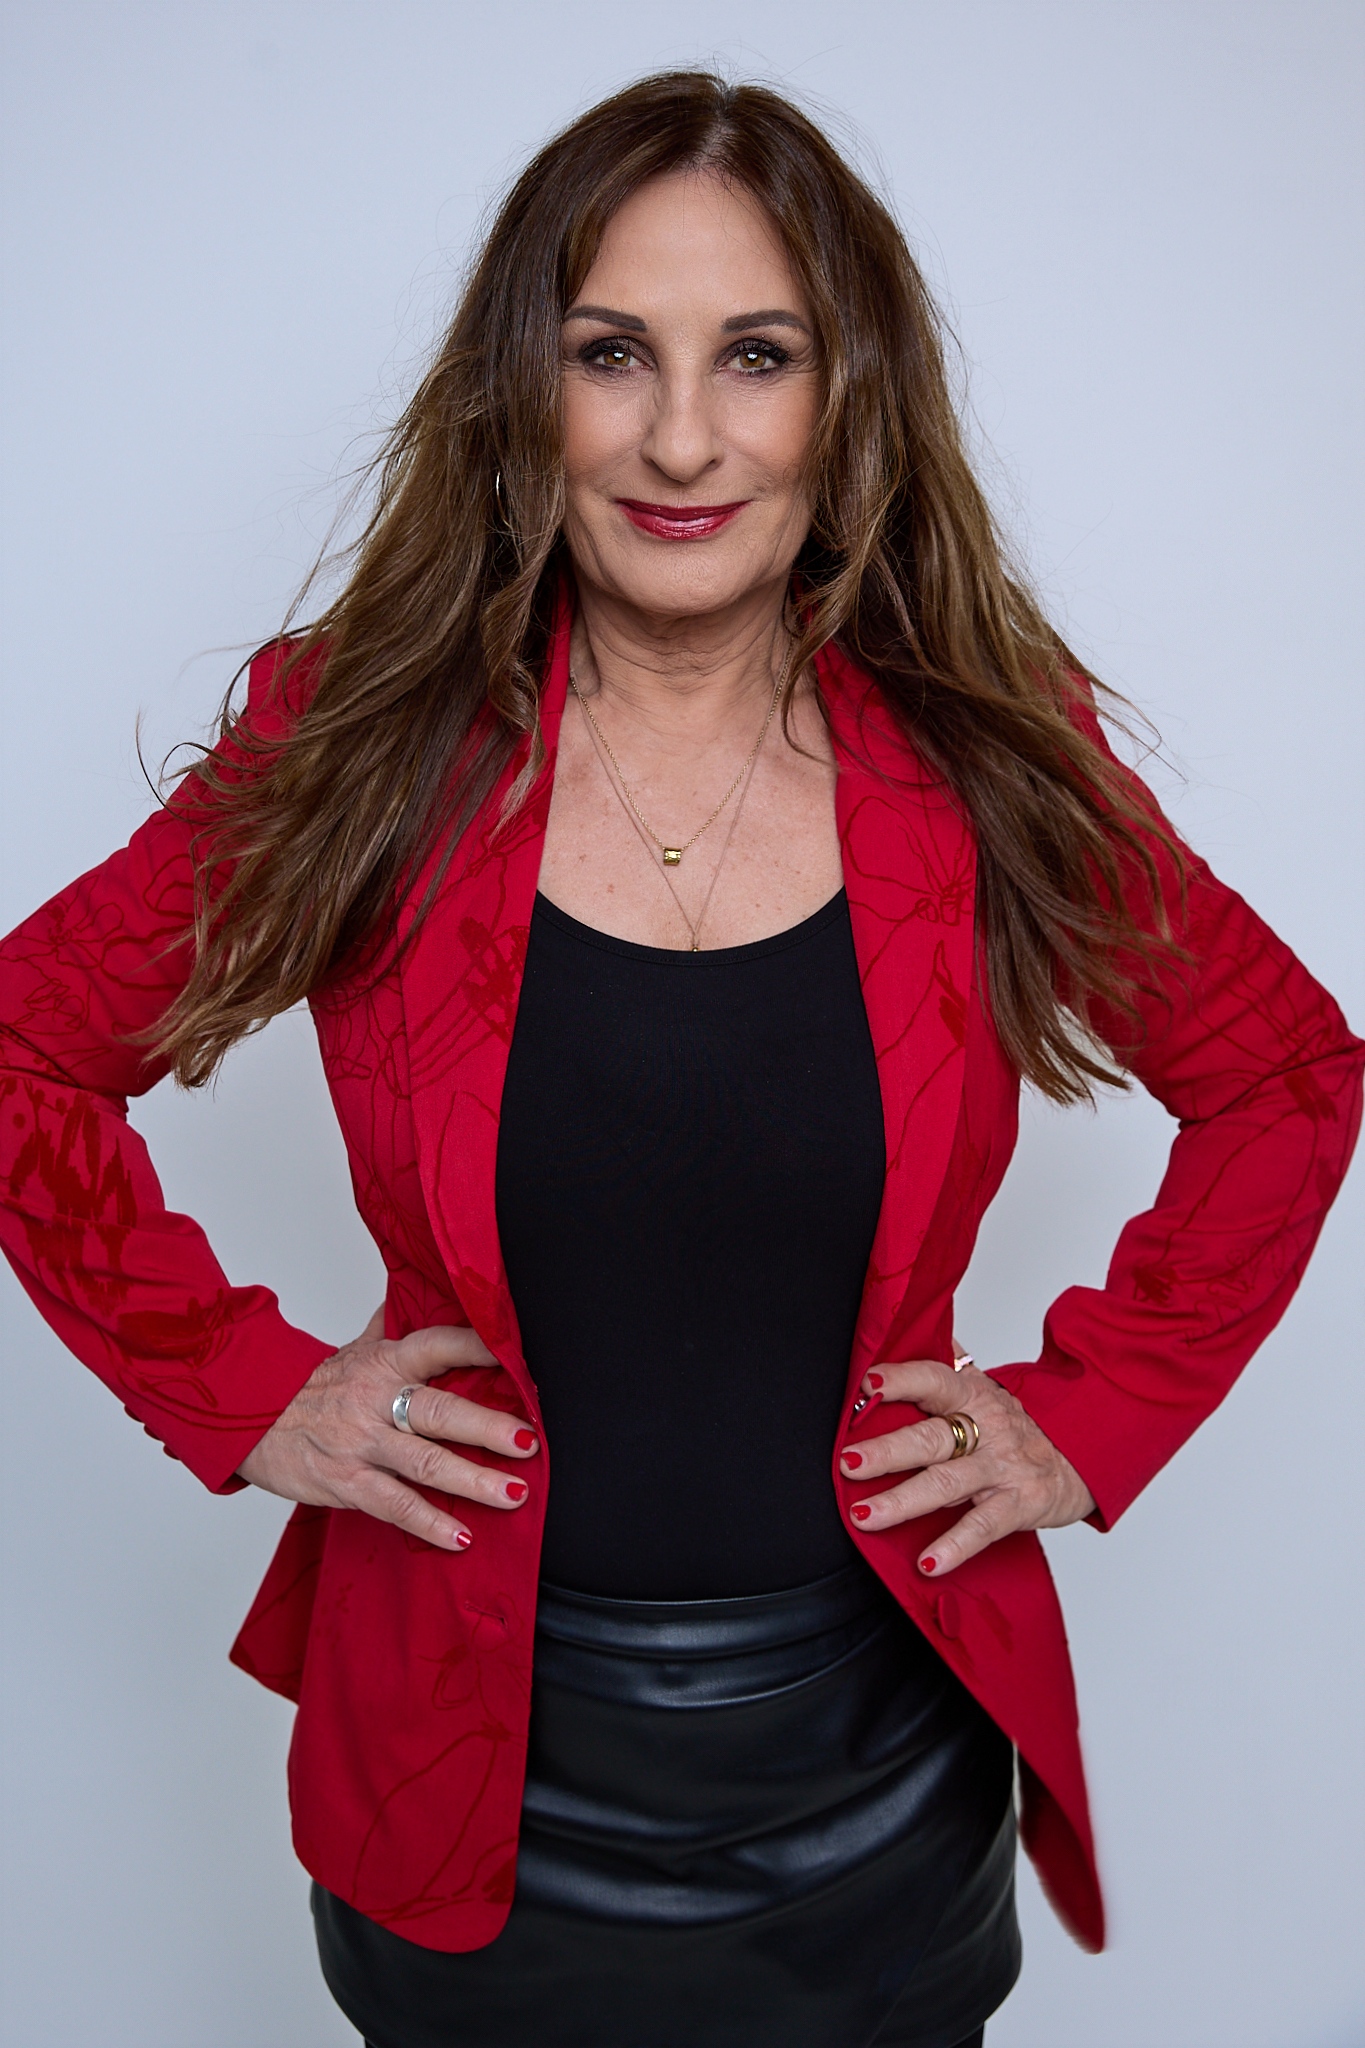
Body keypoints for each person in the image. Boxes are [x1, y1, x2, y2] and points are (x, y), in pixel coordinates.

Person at [0, 69, 1359, 2048]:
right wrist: (242, 1388)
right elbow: (24, 1054)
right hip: (468, 1764)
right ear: (521, 388)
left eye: (757, 357)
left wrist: (1096, 1410)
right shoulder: (359, 746)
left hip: (874, 1770)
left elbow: (1284, 1076)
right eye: (610, 352)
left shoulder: (986, 755)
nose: (681, 438)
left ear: (848, 397)